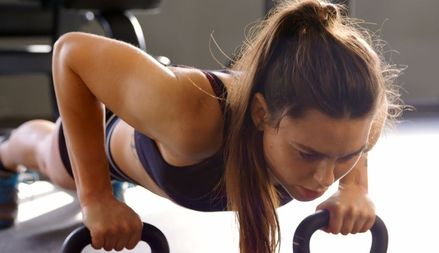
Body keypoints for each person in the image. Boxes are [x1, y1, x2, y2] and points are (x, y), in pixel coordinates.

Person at [0, 0, 402, 252]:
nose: (323, 178)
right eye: (308, 154)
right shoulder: (189, 114)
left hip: (197, 119)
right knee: (49, 158)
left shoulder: (354, 115)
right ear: (261, 115)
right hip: (113, 134)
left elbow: (344, 144)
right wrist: (96, 198)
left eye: (346, 157)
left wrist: (356, 190)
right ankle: (4, 156)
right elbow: (71, 50)